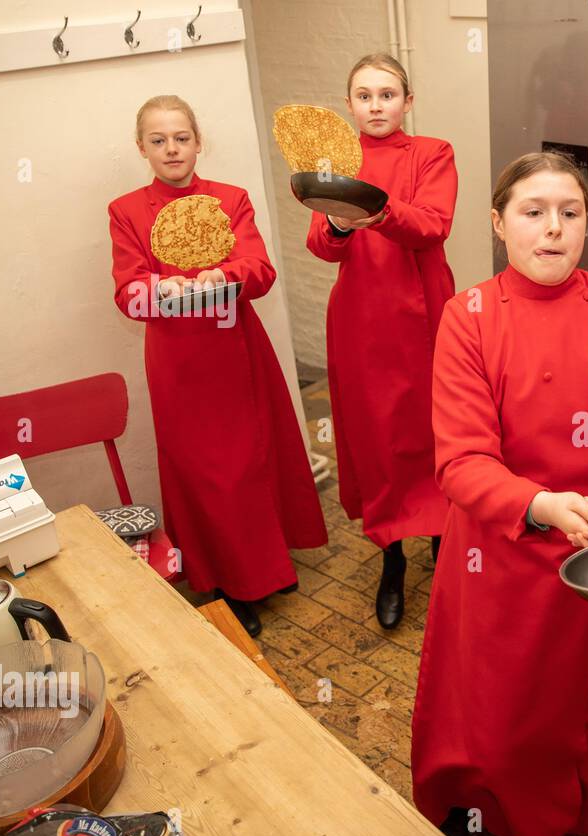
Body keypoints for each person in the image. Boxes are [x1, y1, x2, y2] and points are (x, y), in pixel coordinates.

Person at [411, 152, 588, 836]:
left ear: (587, 224)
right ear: (498, 224)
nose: (553, 229)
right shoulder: (466, 318)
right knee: (508, 710)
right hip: (506, 555)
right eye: (533, 213)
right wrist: (539, 504)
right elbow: (462, 460)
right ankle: (509, 809)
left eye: (570, 213)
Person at [108, 94, 326, 636]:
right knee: (205, 476)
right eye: (158, 140)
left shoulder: (232, 199)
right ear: (142, 148)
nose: (172, 148)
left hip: (236, 352)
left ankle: (268, 567)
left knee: (253, 463)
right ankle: (226, 582)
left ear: (198, 141)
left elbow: (260, 269)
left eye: (181, 137)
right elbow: (127, 292)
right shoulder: (126, 211)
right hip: (178, 361)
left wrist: (223, 276)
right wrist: (163, 285)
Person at [305, 53, 456, 628]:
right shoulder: (332, 162)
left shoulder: (433, 153)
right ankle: (392, 554)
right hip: (361, 315)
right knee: (378, 434)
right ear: (349, 105)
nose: (376, 106)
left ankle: (446, 542)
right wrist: (338, 224)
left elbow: (432, 225)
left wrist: (371, 207)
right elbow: (321, 244)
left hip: (428, 312)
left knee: (437, 426)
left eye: (387, 95)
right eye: (364, 96)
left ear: (407, 102)